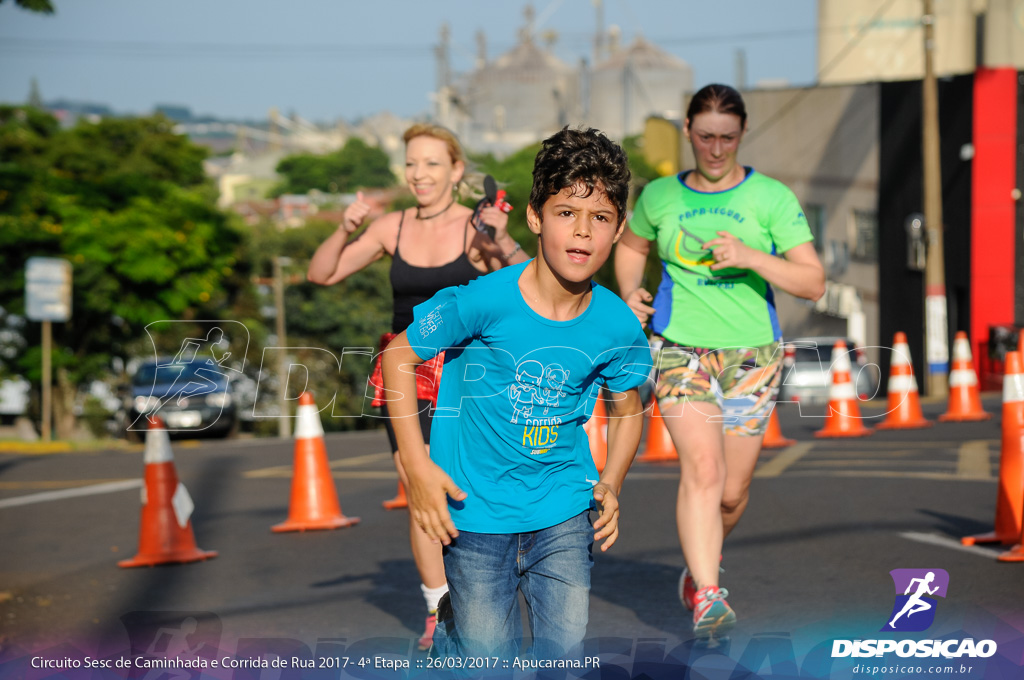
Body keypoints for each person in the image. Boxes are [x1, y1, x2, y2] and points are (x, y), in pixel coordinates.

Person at [381, 127, 652, 661]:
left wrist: (613, 481)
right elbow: (396, 357)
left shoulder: (619, 326)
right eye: (565, 213)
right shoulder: (481, 300)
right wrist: (417, 468)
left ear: (619, 228)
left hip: (564, 512)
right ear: (535, 217)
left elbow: (628, 407)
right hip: (475, 514)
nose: (582, 233)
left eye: (600, 218)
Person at [615, 83, 825, 639]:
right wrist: (631, 292)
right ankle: (709, 593)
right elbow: (632, 246)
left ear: (742, 134)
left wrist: (752, 256)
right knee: (702, 471)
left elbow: (813, 281)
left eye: (726, 138)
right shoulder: (661, 196)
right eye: (705, 137)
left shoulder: (771, 198)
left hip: (753, 354)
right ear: (687, 132)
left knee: (731, 492)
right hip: (680, 348)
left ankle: (699, 563)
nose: (715, 150)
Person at [307, 123, 529, 650]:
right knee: (416, 481)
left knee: (464, 485)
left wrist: (500, 237)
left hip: (468, 368)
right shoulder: (392, 227)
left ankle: (484, 589)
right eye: (411, 163)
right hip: (405, 368)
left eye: (431, 163)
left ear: (456, 170)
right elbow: (322, 275)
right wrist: (344, 228)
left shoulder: (476, 228)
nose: (419, 174)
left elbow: (530, 284)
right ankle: (438, 605)